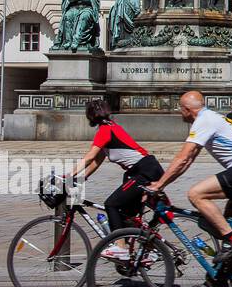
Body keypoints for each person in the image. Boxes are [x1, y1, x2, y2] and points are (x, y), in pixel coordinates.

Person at [145, 92, 232, 277]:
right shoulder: (212, 117)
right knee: (230, 221)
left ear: (187, 109)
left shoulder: (204, 120)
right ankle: (220, 279)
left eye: (180, 108)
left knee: (196, 194)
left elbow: (183, 157)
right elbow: (188, 160)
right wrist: (164, 183)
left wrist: (158, 185)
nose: (180, 112)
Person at [65, 99, 165, 257]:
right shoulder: (111, 127)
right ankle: (150, 248)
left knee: (111, 204)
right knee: (127, 216)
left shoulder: (105, 130)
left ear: (90, 116)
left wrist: (69, 176)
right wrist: (81, 178)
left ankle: (121, 247)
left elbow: (90, 157)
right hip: (147, 169)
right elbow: (98, 160)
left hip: (143, 172)